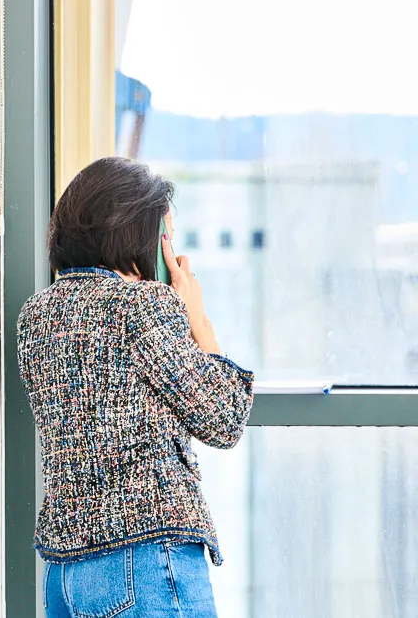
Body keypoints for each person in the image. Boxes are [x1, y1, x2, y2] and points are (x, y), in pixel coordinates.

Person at [17, 157, 255, 618]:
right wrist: (198, 320)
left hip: (65, 576)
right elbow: (223, 419)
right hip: (144, 565)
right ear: (142, 236)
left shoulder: (37, 315)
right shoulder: (144, 305)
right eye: (165, 236)